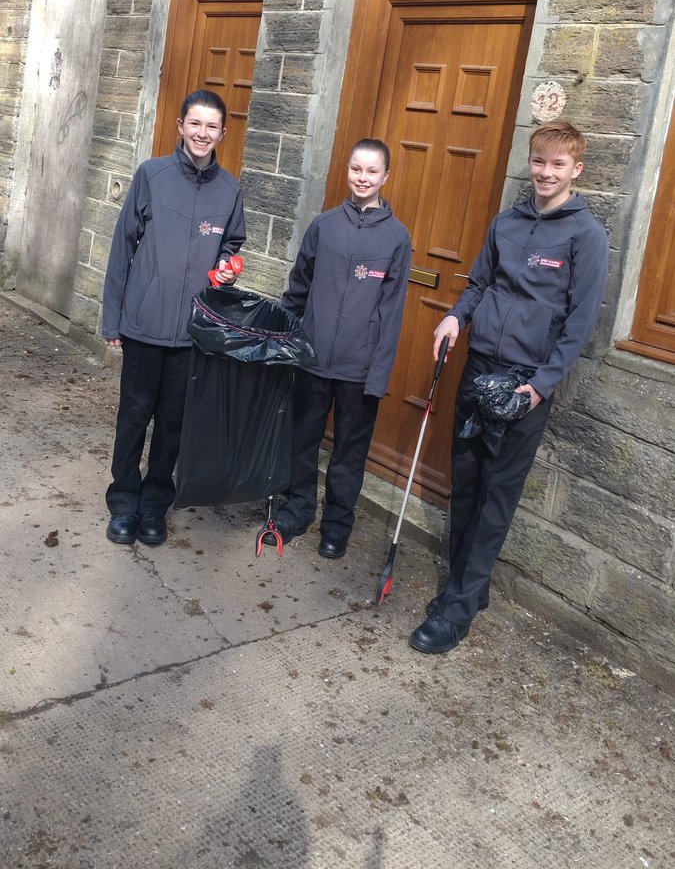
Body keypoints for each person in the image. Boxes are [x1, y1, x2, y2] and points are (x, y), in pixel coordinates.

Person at [409, 120, 609, 654]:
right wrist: (455, 318)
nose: (545, 173)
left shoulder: (586, 236)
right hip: (479, 369)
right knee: (466, 481)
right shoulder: (507, 222)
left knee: (497, 495)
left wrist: (541, 387)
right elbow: (479, 284)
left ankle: (456, 611)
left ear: (576, 170)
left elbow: (580, 323)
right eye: (539, 162)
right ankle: (465, 590)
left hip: (523, 386)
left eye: (557, 165)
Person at [102, 89, 245, 547]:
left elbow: (232, 244)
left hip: (191, 335)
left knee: (172, 425)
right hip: (144, 326)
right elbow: (123, 247)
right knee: (133, 418)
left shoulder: (230, 190)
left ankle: (154, 505)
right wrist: (114, 319)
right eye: (195, 123)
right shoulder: (152, 175)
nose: (203, 133)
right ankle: (124, 501)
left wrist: (227, 266)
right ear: (181, 125)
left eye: (212, 127)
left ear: (223, 133)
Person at [268, 139, 412, 559]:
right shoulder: (324, 226)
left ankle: (337, 524)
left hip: (359, 369)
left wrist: (379, 375)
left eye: (371, 172)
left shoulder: (397, 238)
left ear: (386, 176)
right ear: (346, 171)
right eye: (356, 169)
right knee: (302, 440)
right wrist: (282, 343)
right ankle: (297, 511)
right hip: (312, 359)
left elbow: (391, 313)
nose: (362, 178)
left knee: (349, 452)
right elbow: (297, 290)